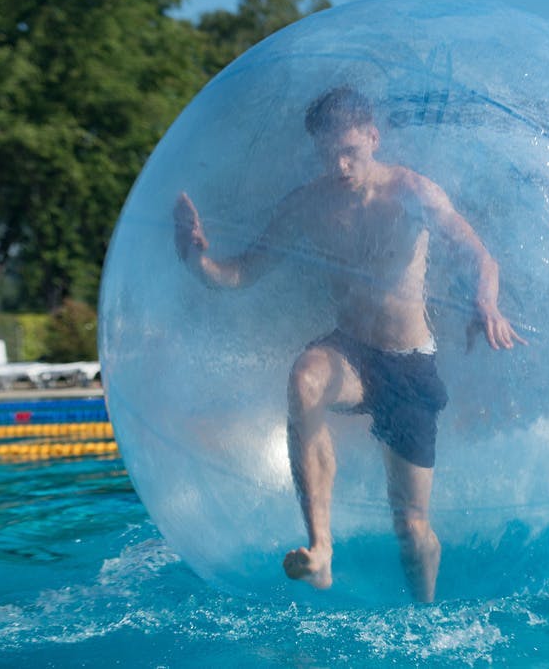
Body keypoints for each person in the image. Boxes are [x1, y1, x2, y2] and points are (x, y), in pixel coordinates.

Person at [173, 86, 523, 603]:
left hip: (409, 365)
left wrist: (486, 303)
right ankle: (320, 551)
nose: (339, 165)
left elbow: (479, 256)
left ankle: (425, 614)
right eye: (327, 154)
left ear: (373, 138)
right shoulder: (307, 205)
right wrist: (196, 261)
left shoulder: (413, 192)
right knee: (305, 378)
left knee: (412, 532)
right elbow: (243, 271)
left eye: (350, 151)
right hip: (352, 353)